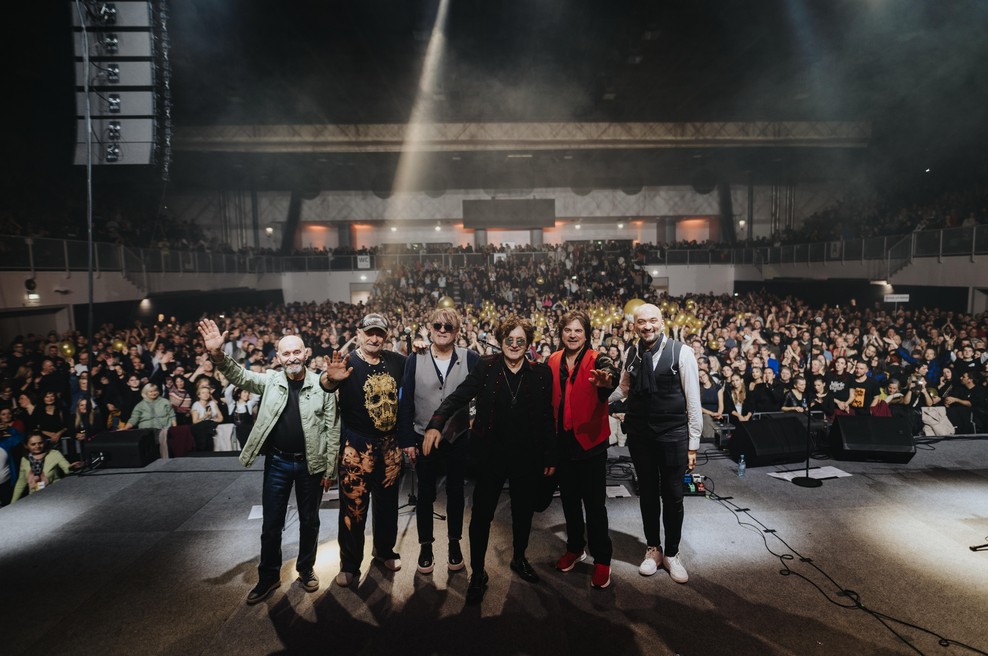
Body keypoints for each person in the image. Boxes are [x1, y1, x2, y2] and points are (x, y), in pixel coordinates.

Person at [199, 318, 340, 605]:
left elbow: (332, 429)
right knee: (272, 523)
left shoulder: (322, 384)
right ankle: (268, 575)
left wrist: (330, 470)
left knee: (309, 521)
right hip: (277, 463)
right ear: (278, 357)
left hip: (311, 465)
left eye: (297, 352)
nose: (292, 358)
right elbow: (240, 376)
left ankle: (305, 568)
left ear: (306, 353)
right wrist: (217, 354)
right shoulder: (270, 380)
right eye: (286, 353)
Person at [423, 314, 556, 604]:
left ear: (528, 344)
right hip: (491, 456)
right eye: (509, 339)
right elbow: (458, 397)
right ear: (500, 340)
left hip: (526, 457)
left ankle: (519, 558)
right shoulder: (486, 367)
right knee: (482, 516)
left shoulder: (541, 373)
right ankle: (478, 572)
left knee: (523, 513)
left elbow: (547, 416)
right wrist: (436, 423)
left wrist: (549, 454)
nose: (514, 344)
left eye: (520, 340)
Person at [609, 303, 701, 585]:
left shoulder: (681, 352)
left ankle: (672, 553)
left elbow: (693, 401)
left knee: (673, 495)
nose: (647, 326)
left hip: (673, 434)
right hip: (641, 435)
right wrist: (596, 399)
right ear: (634, 326)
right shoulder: (632, 352)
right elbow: (624, 388)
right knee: (648, 493)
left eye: (652, 321)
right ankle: (653, 549)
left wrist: (693, 444)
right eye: (641, 322)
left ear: (662, 323)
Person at [322, 312, 406, 588]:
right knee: (353, 506)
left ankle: (384, 551)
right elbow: (326, 383)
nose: (374, 338)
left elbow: (420, 370)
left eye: (380, 333)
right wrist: (330, 380)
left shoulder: (396, 361)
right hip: (356, 445)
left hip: (390, 445)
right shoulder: (347, 361)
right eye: (370, 332)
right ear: (359, 333)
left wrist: (421, 349)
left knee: (388, 504)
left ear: (386, 336)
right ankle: (349, 564)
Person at [397, 307, 479, 576]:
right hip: (422, 436)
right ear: (430, 329)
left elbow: (482, 394)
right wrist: (407, 440)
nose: (442, 331)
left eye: (448, 327)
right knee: (425, 495)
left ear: (457, 332)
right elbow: (406, 401)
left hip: (457, 438)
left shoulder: (470, 358)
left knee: (456, 493)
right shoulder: (415, 358)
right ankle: (426, 547)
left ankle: (454, 543)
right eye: (437, 326)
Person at [547, 310, 618, 589]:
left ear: (587, 334)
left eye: (578, 330)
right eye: (568, 330)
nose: (573, 335)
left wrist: (607, 380)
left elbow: (609, 371)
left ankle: (602, 559)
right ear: (561, 333)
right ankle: (575, 548)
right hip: (563, 444)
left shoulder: (598, 359)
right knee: (569, 502)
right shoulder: (553, 360)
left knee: (595, 506)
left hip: (591, 445)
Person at [11, 431, 81, 502]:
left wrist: (72, 468)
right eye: (33, 444)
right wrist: (12, 503)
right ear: (26, 446)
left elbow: (67, 469)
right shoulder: (24, 460)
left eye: (40, 443)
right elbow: (21, 483)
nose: (37, 446)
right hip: (34, 498)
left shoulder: (54, 454)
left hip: (55, 496)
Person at [121, 383, 177, 460]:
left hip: (163, 429)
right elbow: (134, 419)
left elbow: (172, 416)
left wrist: (175, 428)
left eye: (155, 391)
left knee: (163, 438)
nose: (153, 393)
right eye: (150, 391)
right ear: (145, 393)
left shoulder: (165, 402)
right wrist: (125, 428)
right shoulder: (140, 405)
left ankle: (165, 460)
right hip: (147, 430)